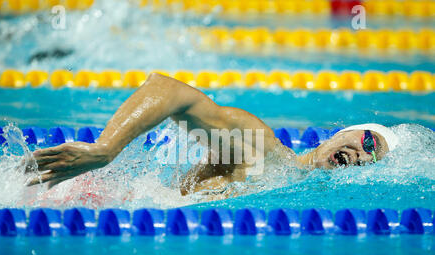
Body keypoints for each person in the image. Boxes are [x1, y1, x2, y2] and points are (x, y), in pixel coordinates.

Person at [27, 73, 398, 196]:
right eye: (368, 141)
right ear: (339, 135)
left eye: (373, 158)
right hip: (80, 201)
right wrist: (105, 149)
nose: (364, 154)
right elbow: (170, 90)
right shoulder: (264, 150)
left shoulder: (292, 186)